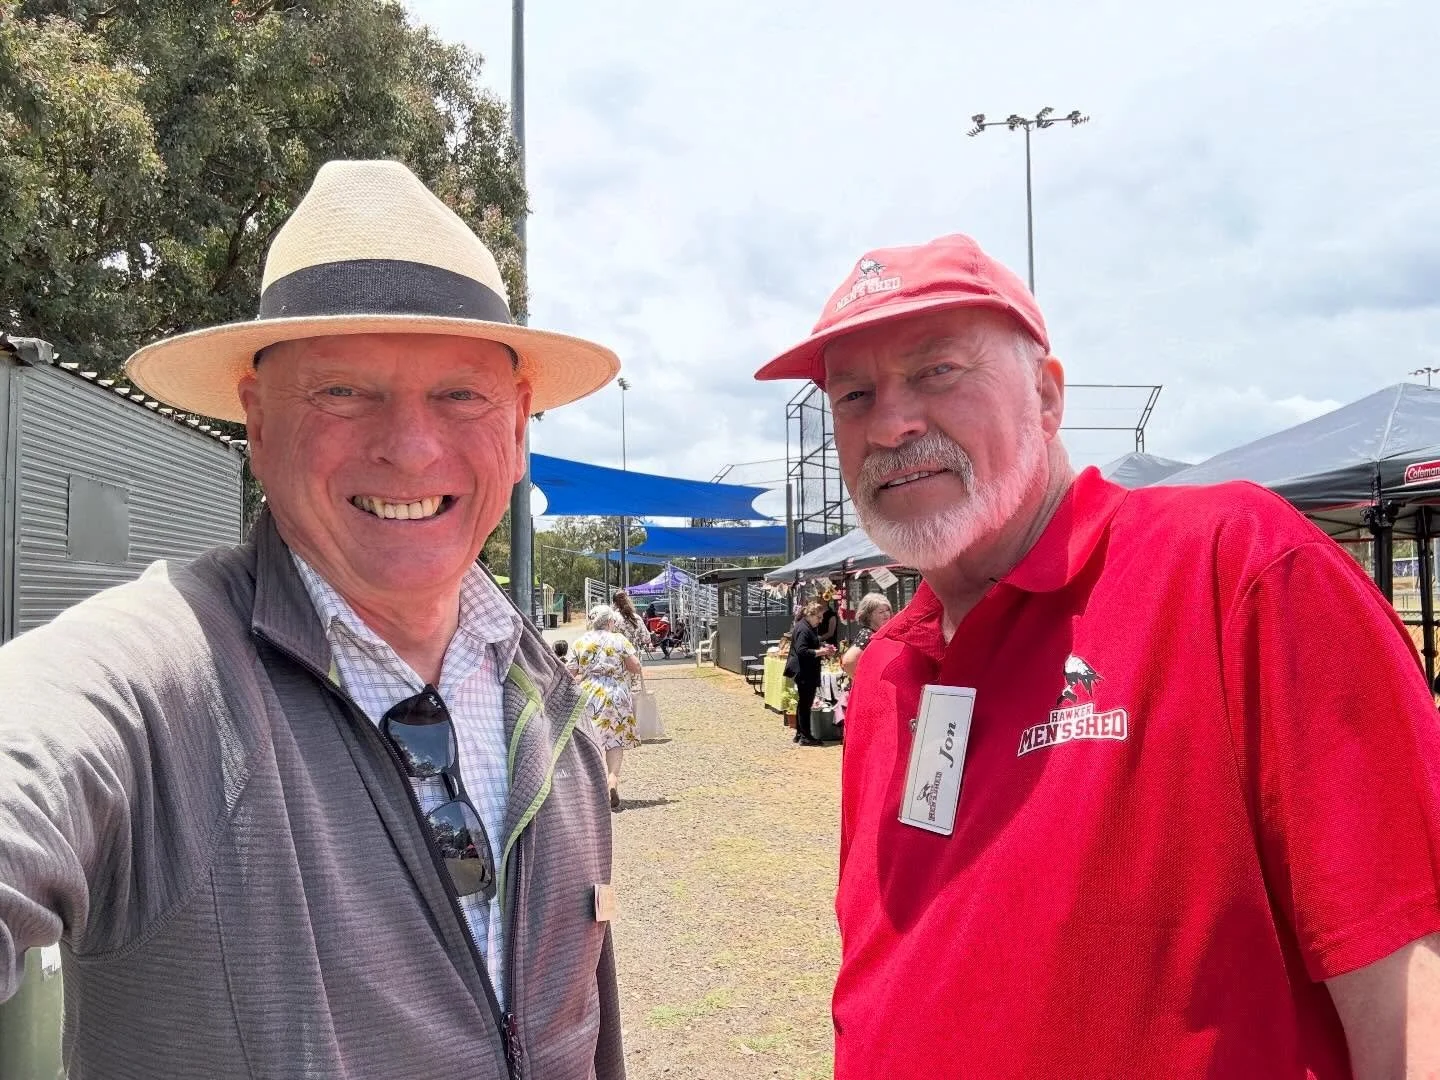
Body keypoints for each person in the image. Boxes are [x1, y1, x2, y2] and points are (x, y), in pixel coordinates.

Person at [754, 232, 1440, 1078]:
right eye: (854, 394)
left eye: (937, 371)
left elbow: (1408, 986)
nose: (891, 423)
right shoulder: (892, 663)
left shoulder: (1235, 568)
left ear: (1045, 397)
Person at [0, 160, 626, 1079]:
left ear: (520, 423)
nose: (411, 447)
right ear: (257, 421)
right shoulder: (156, 677)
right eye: (343, 391)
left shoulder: (546, 699)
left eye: (461, 394)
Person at [566, 606, 643, 809]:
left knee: (590, 739)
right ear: (610, 622)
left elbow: (570, 671)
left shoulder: (580, 641)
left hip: (589, 693)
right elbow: (635, 665)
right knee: (614, 740)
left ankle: (594, 786)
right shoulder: (619, 640)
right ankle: (612, 780)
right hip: (616, 694)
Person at [784, 600, 835, 746]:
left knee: (804, 703)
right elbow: (802, 651)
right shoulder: (803, 628)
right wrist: (822, 651)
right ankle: (806, 736)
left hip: (806, 670)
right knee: (805, 703)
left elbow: (810, 643)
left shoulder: (807, 627)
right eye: (818, 617)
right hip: (804, 671)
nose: (820, 621)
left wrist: (822, 646)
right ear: (810, 615)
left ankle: (800, 733)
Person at [839, 591, 893, 679]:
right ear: (869, 616)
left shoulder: (878, 632)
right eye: (881, 612)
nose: (886, 614)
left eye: (887, 610)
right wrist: (865, 682)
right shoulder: (867, 634)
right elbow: (848, 662)